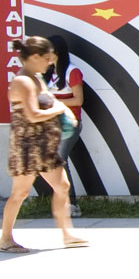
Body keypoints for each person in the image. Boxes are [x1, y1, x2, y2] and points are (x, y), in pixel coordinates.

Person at [0, 37, 87, 253]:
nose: (49, 63)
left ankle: (67, 234)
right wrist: (59, 111)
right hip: (27, 146)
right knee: (20, 192)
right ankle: (5, 239)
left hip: (43, 143)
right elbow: (34, 114)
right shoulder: (23, 81)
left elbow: (52, 101)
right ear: (35, 57)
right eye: (46, 58)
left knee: (62, 186)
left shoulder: (36, 78)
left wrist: (64, 111)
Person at [45, 35, 84, 218]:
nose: (46, 56)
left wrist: (56, 103)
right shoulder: (49, 73)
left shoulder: (72, 71)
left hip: (70, 123)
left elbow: (79, 99)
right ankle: (62, 203)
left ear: (58, 52)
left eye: (49, 52)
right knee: (53, 162)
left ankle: (72, 205)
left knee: (60, 159)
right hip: (52, 125)